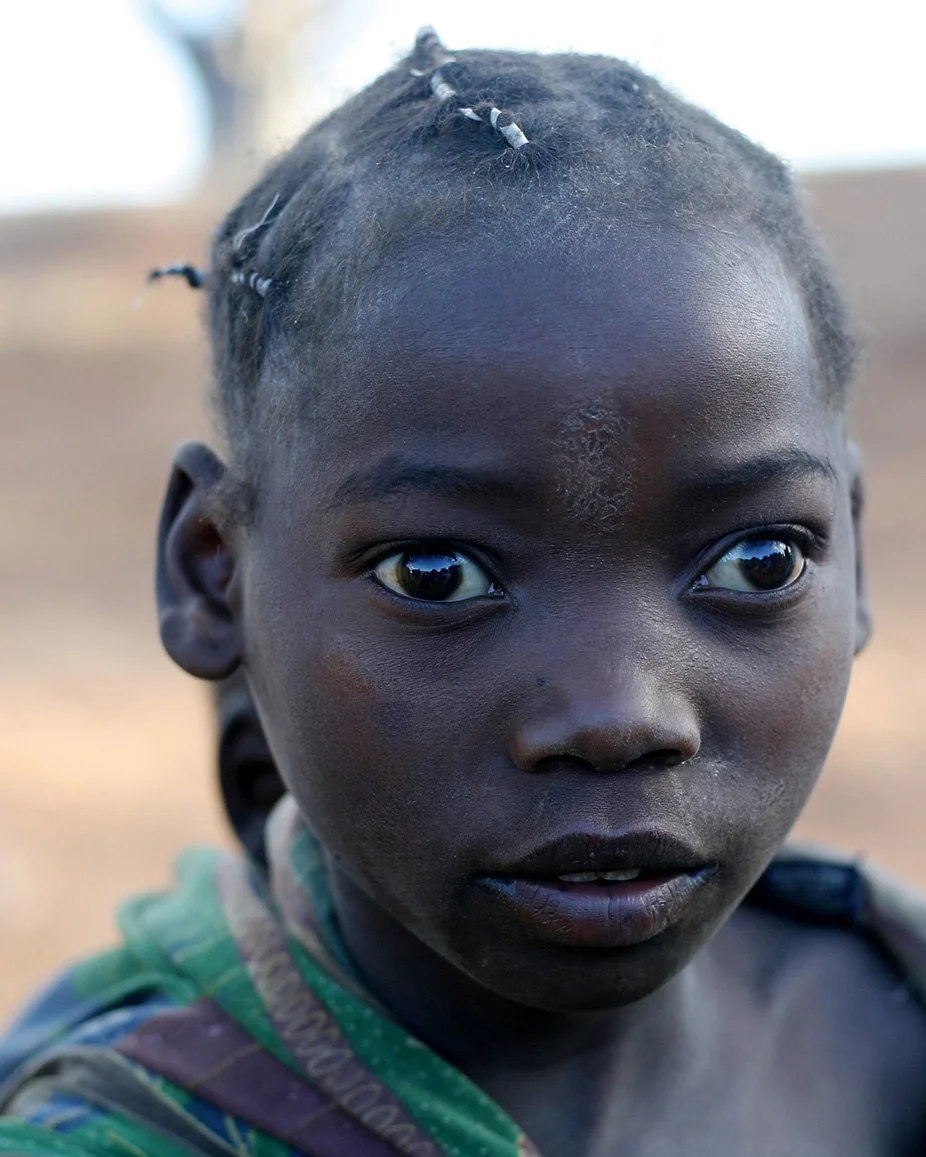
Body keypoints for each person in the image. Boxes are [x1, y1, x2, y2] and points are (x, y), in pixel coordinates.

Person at [2, 29, 925, 1155]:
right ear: (213, 570)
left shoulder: (888, 1021)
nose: (615, 713)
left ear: (855, 556)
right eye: (437, 576)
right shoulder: (118, 1134)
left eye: (758, 561)